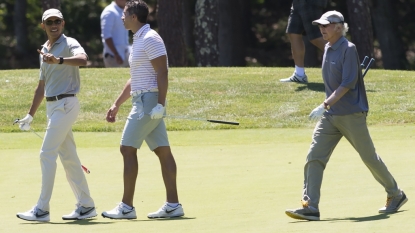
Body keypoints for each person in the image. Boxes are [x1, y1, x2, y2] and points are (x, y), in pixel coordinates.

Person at [285, 11, 408, 221]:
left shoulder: (348, 49)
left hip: (351, 114)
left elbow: (347, 84)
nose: (322, 29)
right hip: (331, 115)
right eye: (320, 26)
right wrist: (328, 107)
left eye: (326, 25)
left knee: (369, 157)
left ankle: (395, 193)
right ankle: (310, 206)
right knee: (314, 156)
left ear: (339, 27)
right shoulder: (327, 48)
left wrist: (325, 104)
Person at [101, 0, 184, 219]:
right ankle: (173, 204)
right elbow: (135, 77)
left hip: (149, 102)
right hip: (143, 100)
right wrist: (116, 104)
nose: (122, 17)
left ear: (134, 17)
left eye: (125, 14)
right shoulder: (138, 39)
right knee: (162, 150)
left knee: (127, 148)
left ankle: (126, 207)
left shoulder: (150, 38)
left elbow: (162, 72)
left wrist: (160, 104)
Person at [16, 9, 97, 222]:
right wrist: (30, 115)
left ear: (63, 23)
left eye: (57, 21)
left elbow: (83, 59)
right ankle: (87, 205)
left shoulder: (69, 43)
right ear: (43, 25)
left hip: (67, 104)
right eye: (49, 22)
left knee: (46, 154)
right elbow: (41, 87)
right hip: (53, 108)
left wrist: (59, 60)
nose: (54, 25)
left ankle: (42, 209)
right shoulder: (44, 50)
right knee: (69, 158)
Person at [280, 0, 328, 83]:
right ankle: (299, 75)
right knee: (293, 33)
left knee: (316, 37)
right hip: (297, 3)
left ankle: (348, 63)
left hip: (309, 2)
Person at [100, 0, 130, 67]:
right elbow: (106, 36)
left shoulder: (124, 11)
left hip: (125, 54)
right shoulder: (109, 12)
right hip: (114, 57)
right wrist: (116, 54)